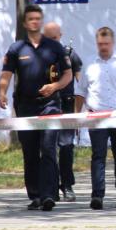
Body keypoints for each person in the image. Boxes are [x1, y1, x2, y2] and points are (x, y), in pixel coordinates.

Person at [0, 5, 73, 212]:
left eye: (38, 18)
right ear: (24, 23)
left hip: (50, 105)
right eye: (31, 18)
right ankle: (36, 195)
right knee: (30, 151)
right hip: (25, 105)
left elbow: (68, 75)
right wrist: (2, 93)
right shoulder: (16, 49)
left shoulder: (54, 47)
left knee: (48, 148)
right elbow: (6, 74)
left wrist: (55, 86)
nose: (34, 22)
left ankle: (49, 195)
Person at [75, 27, 116, 210]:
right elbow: (80, 91)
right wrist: (77, 114)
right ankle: (97, 195)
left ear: (112, 43)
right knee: (98, 155)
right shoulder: (89, 63)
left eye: (106, 44)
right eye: (100, 44)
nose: (103, 47)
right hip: (96, 116)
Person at [43, 22, 83, 202]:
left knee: (66, 146)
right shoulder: (40, 55)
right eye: (49, 38)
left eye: (55, 38)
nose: (53, 41)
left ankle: (67, 185)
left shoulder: (70, 54)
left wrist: (79, 109)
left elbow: (79, 82)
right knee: (47, 147)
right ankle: (50, 188)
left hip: (66, 104)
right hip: (45, 105)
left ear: (61, 35)